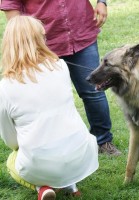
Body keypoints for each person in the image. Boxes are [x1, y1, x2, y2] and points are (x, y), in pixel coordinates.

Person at [0, 0, 121, 156]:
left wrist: (102, 2)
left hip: (81, 33)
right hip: (43, 44)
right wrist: (27, 41)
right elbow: (12, 11)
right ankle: (50, 147)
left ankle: (103, 141)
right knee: (45, 99)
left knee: (93, 92)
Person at [0, 16, 99, 200]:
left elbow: (10, 138)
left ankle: (42, 188)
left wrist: (19, 146)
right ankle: (72, 186)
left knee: (12, 160)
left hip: (41, 161)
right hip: (82, 151)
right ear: (39, 40)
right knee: (56, 138)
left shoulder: (6, 86)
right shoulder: (60, 67)